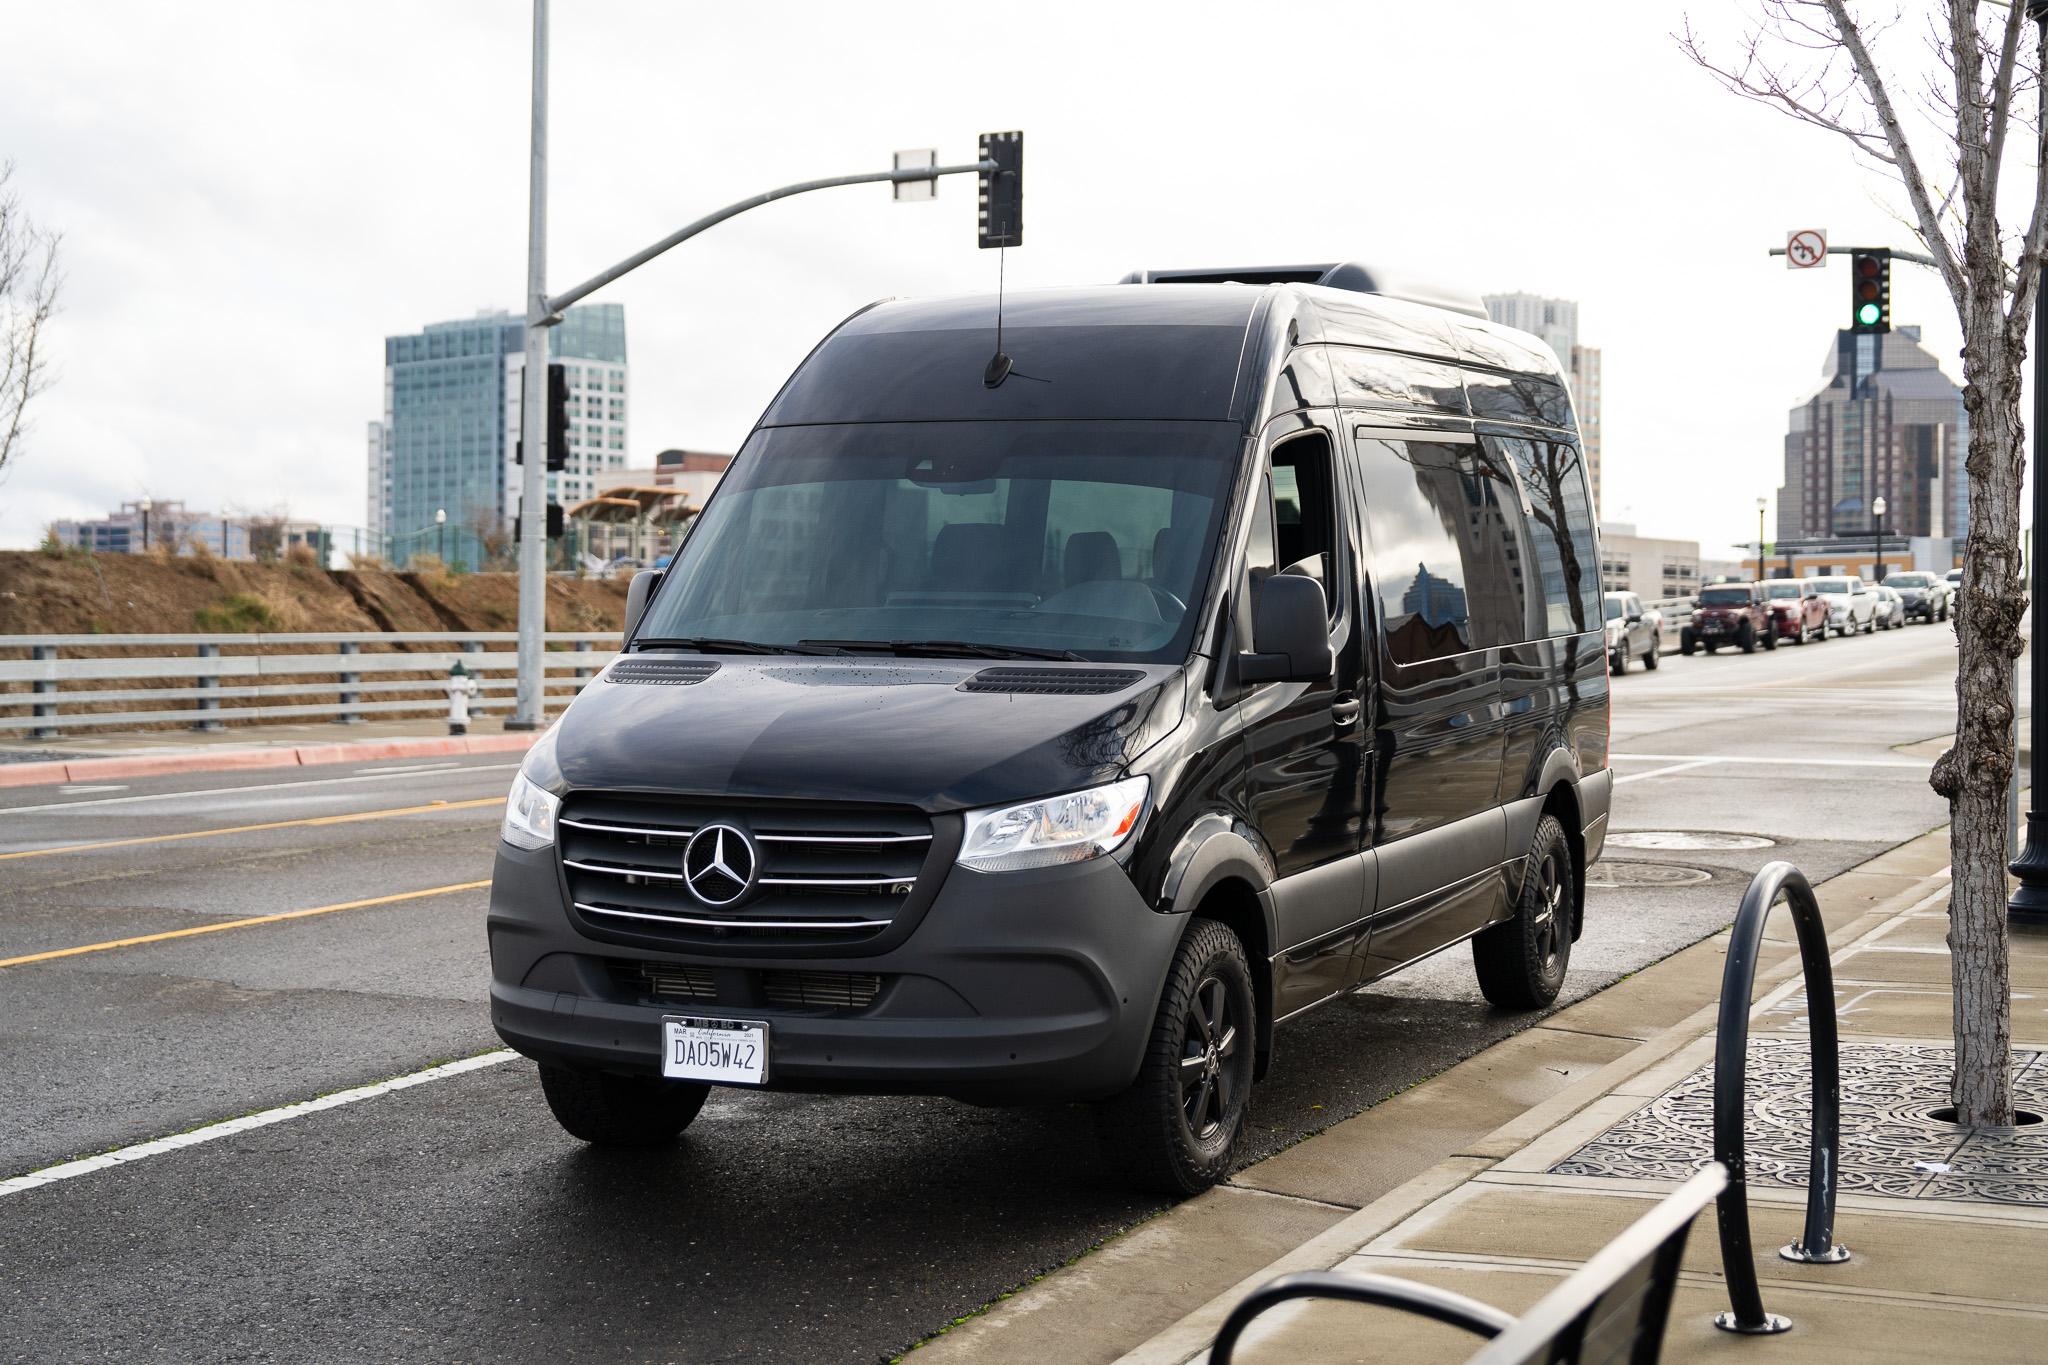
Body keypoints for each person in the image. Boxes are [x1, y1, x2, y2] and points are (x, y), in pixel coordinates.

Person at [445, 660, 479, 736]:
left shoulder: (466, 683)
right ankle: (455, 728)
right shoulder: (452, 684)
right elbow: (449, 688)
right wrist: (463, 687)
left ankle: (460, 728)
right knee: (455, 715)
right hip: (455, 706)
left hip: (462, 705)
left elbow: (471, 691)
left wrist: (464, 687)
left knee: (461, 715)